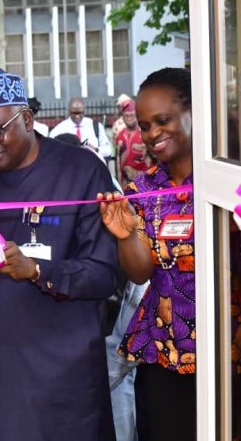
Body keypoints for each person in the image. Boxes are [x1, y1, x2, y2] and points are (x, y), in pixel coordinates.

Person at [0, 66, 118, 440]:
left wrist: (37, 270)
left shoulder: (81, 170)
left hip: (58, 376)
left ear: (26, 117)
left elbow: (105, 273)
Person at [98, 67, 196, 441]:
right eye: (144, 125)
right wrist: (127, 235)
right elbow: (140, 274)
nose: (152, 133)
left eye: (163, 120)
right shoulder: (143, 189)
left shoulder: (225, 179)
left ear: (194, 112)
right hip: (164, 356)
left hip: (225, 351)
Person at [115, 100, 151, 188]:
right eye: (126, 116)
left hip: (145, 183)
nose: (129, 118)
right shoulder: (119, 135)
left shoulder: (145, 133)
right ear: (122, 117)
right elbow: (118, 163)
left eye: (132, 115)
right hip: (126, 185)